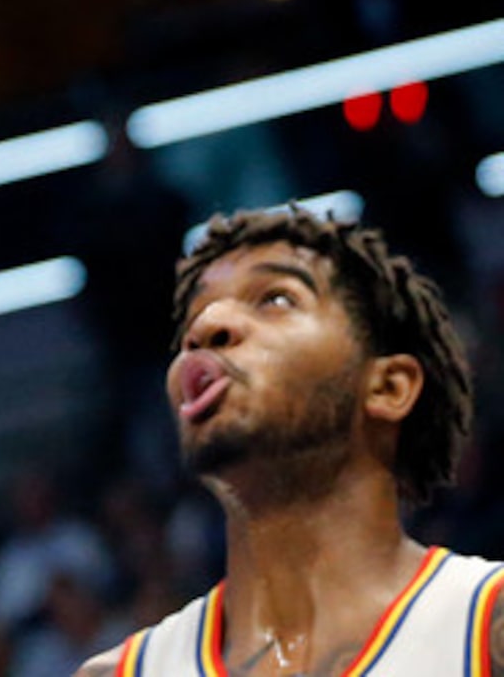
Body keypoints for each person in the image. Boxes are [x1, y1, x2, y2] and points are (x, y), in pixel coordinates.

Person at [76, 207, 495, 677]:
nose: (205, 329)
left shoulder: (486, 624)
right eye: (193, 320)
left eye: (274, 299)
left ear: (387, 387)